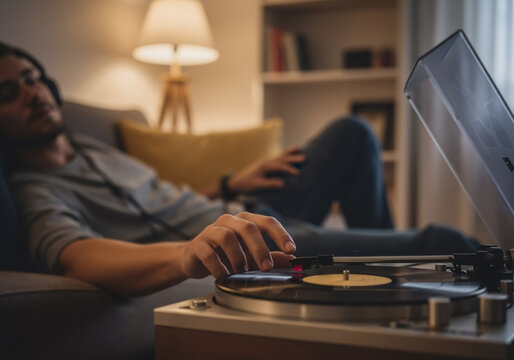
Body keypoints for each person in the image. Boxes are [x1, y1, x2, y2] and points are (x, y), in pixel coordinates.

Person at [0, 43, 479, 297]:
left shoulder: (90, 146)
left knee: (353, 132)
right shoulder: (35, 190)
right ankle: (390, 268)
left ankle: (380, 287)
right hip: (249, 237)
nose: (32, 92)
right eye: (9, 93)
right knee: (446, 241)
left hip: (246, 204)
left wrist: (233, 182)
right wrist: (182, 255)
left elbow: (160, 197)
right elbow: (74, 257)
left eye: (32, 77)